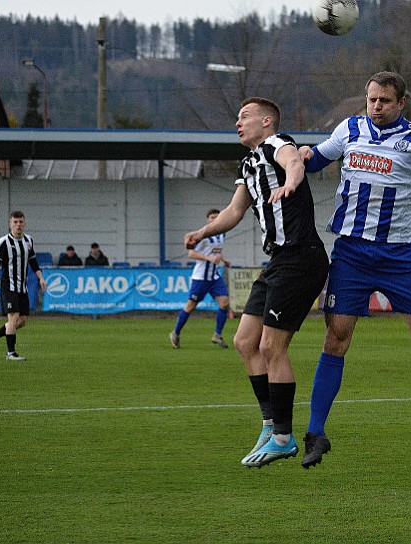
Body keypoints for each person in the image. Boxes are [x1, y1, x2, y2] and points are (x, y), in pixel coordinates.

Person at [298, 71, 411, 469]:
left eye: (384, 100)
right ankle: (316, 432)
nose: (376, 106)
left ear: (401, 103)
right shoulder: (349, 129)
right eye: (371, 100)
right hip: (350, 251)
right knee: (336, 337)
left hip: (399, 255)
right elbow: (318, 158)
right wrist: (302, 155)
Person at [184, 97, 329, 468]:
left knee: (271, 347)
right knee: (244, 341)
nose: (238, 122)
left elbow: (294, 163)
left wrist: (291, 185)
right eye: (236, 117)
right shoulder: (249, 164)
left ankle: (283, 437)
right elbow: (234, 211)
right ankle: (270, 426)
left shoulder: (277, 144)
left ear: (267, 121)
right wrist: (202, 232)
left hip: (301, 256)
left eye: (244, 116)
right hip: (279, 260)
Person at [0, 211, 48, 361]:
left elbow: (33, 262)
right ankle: (10, 353)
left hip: (22, 287)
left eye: (20, 222)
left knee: (22, 320)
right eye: (15, 222)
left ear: (24, 223)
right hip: (9, 286)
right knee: (13, 319)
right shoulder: (4, 242)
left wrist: (41, 278)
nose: (18, 225)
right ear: (10, 224)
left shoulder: (28, 241)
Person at [170, 209, 232, 350]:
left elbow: (216, 250)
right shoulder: (203, 236)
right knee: (191, 306)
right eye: (212, 217)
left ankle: (217, 335)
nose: (215, 219)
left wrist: (224, 259)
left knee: (224, 303)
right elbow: (191, 253)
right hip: (201, 278)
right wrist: (209, 258)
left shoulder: (222, 234)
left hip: (215, 277)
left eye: (217, 217)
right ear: (207, 220)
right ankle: (176, 333)